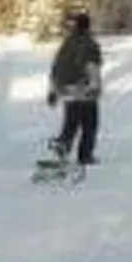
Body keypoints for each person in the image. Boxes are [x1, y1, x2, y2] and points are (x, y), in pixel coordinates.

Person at [46, 11, 103, 165]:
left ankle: (63, 146)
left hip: (66, 91)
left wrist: (53, 91)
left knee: (71, 123)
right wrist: (94, 86)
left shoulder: (66, 44)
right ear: (87, 26)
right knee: (90, 125)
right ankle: (85, 156)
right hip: (84, 90)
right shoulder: (90, 44)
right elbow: (92, 67)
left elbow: (56, 68)